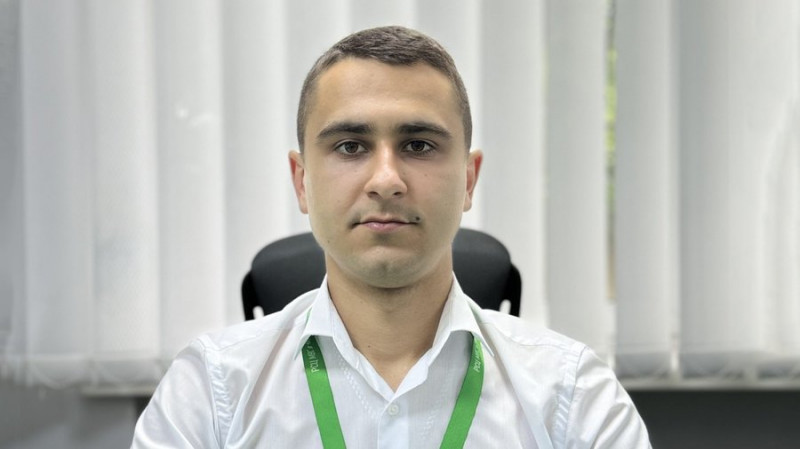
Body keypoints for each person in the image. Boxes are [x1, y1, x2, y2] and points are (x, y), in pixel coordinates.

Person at [131, 26, 650, 448]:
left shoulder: (573, 397)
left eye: (418, 145)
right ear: (301, 182)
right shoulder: (211, 393)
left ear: (468, 180)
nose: (386, 180)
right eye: (351, 146)